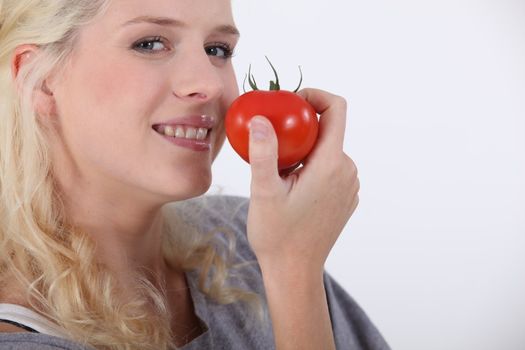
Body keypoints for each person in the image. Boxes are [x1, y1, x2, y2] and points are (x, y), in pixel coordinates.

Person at [0, 0, 391, 349]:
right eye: (151, 43)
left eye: (217, 50)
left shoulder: (248, 238)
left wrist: (291, 264)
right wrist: (293, 271)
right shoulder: (19, 336)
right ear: (42, 79)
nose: (207, 84)